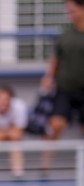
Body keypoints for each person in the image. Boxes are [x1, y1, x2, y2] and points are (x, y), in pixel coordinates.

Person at [41, 0, 84, 154]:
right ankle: (44, 170)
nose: (70, 14)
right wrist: (48, 77)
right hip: (65, 90)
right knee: (55, 126)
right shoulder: (65, 35)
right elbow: (55, 60)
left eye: (73, 10)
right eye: (68, 11)